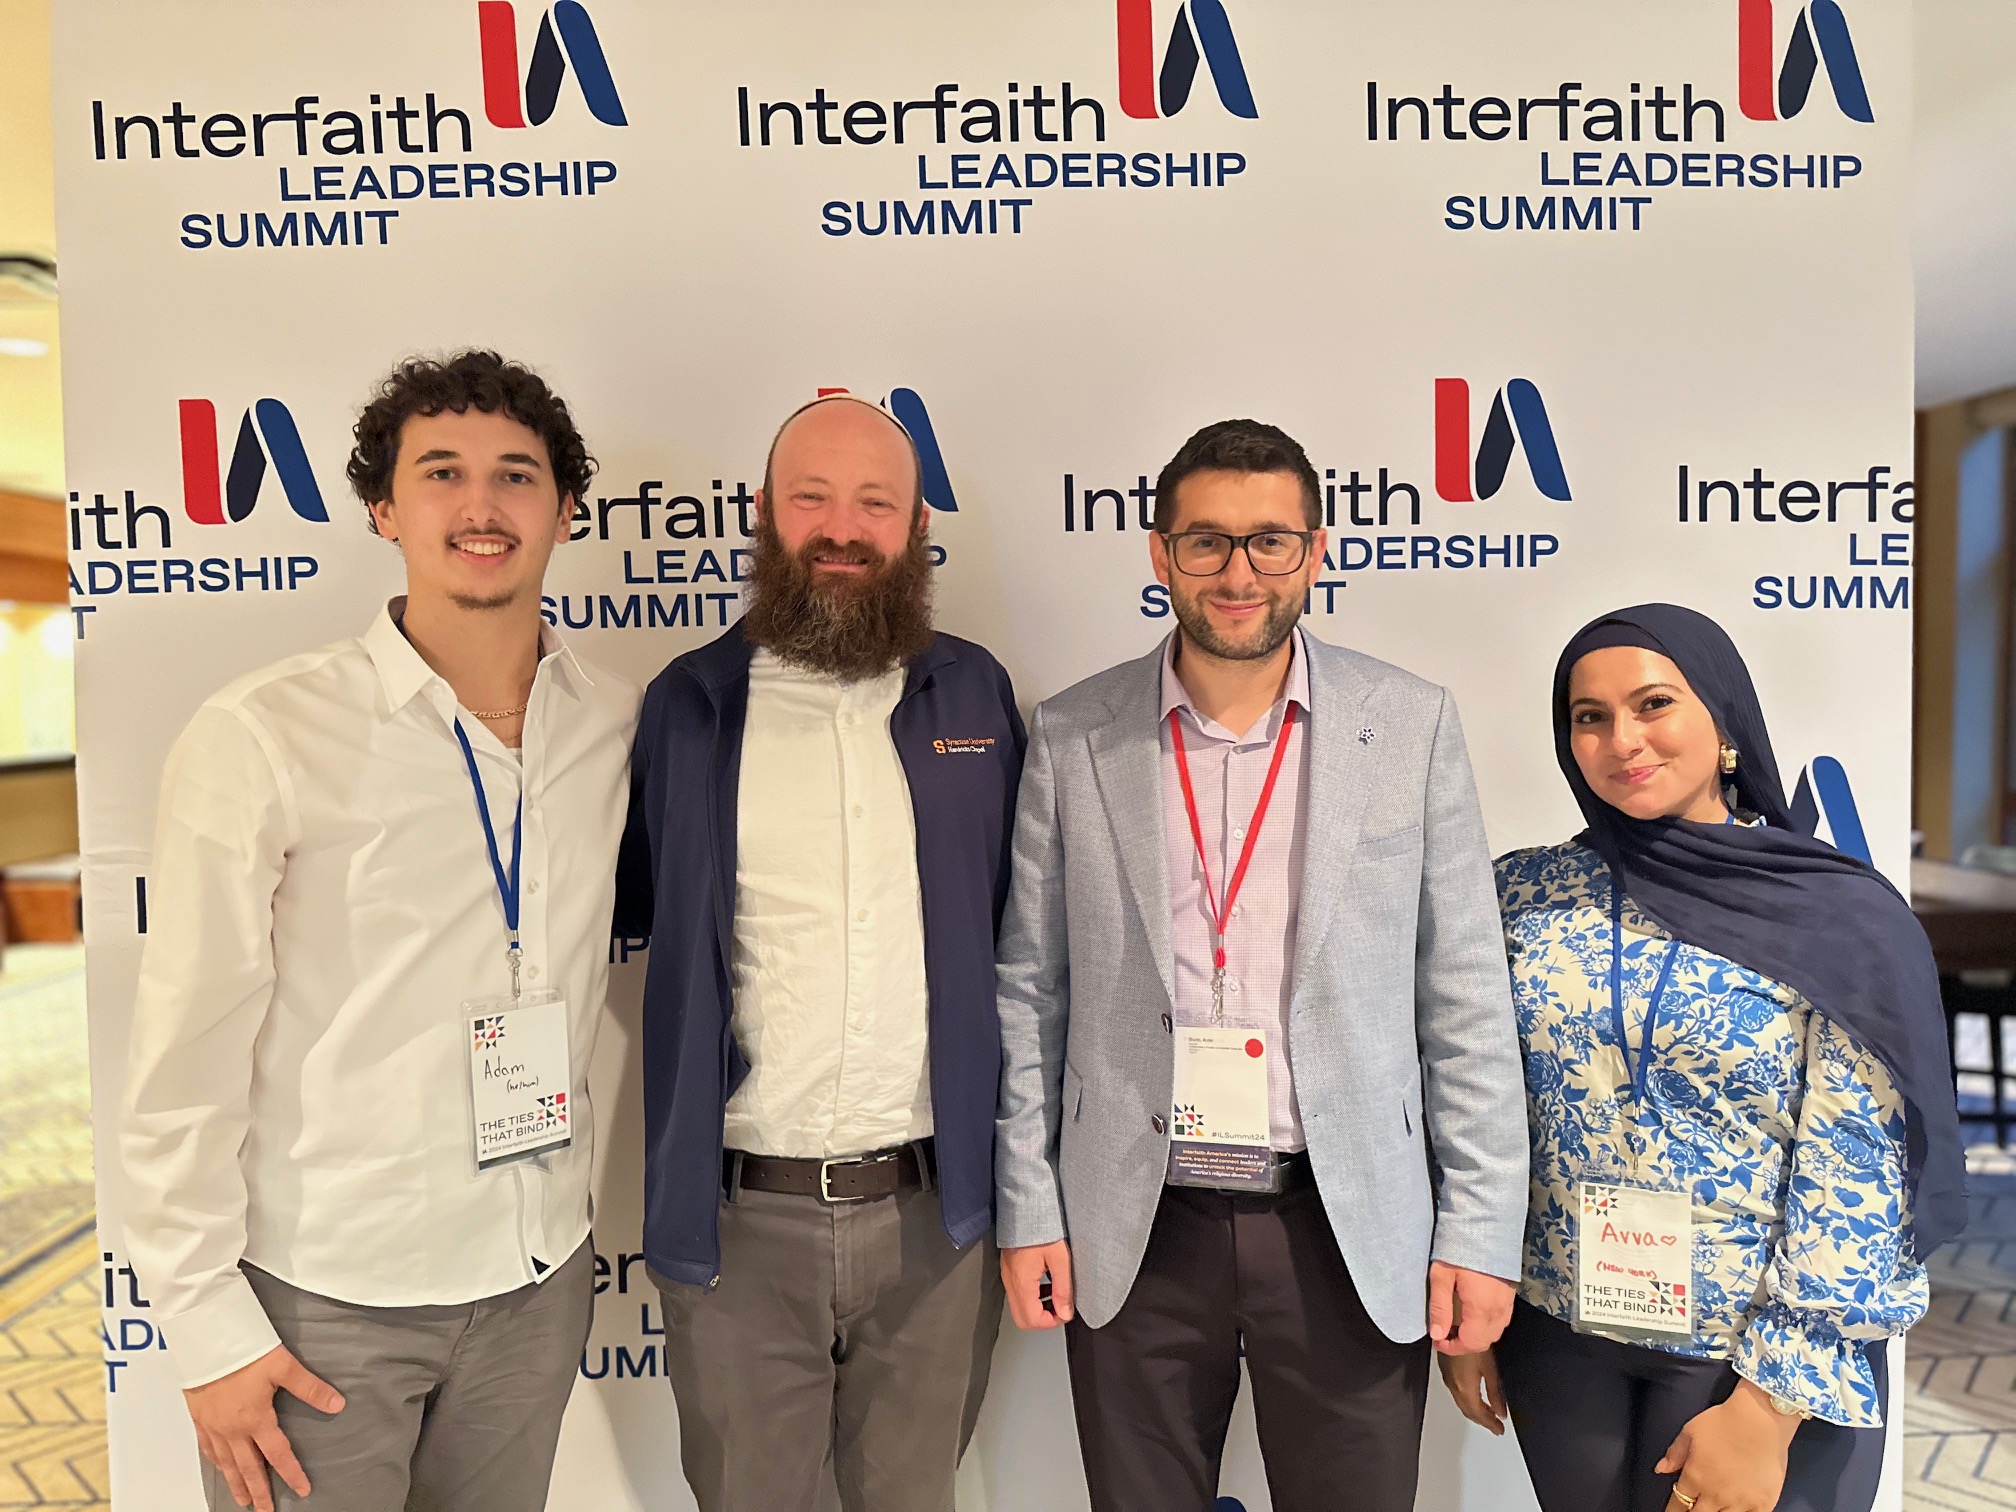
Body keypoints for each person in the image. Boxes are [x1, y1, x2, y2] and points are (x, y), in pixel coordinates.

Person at [120, 351, 639, 1512]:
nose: (480, 505)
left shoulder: (611, 721)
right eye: (441, 472)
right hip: (326, 1304)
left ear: (563, 509)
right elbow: (181, 1058)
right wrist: (205, 1330)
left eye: (516, 475)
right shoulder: (262, 734)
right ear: (383, 507)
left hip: (535, 1281)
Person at [993, 417, 1528, 1511]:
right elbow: (1029, 991)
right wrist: (1030, 1205)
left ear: (1316, 551)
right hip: (1136, 1225)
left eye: (1270, 542)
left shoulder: (1410, 725)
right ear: (1159, 554)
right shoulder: (1073, 734)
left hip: (1345, 1224)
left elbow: (1464, 996)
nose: (1240, 573)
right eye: (1208, 542)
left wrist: (1478, 1228)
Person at [1440, 603, 1965, 1512]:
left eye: (1653, 705)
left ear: (1721, 720)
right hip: (1563, 1340)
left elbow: (1859, 1171)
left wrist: (1766, 1409)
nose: (1622, 740)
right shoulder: (1524, 894)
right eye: (1590, 717)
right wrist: (1476, 1308)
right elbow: (1478, 1108)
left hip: (1750, 1359)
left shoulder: (1834, 915)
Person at [617, 393, 1025, 1512]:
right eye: (812, 497)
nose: (842, 528)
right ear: (764, 515)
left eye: (874, 502)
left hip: (935, 1226)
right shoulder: (686, 709)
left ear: (914, 526)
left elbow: (1018, 940)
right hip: (743, 1225)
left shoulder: (977, 697)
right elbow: (641, 919)